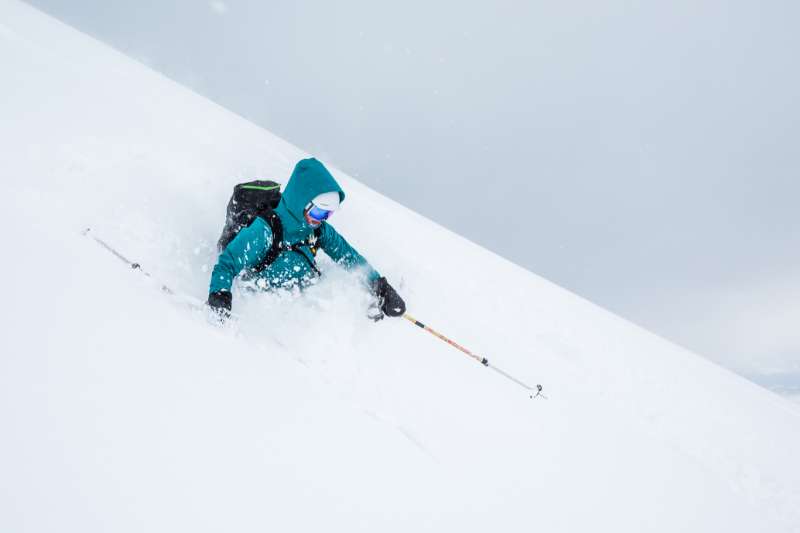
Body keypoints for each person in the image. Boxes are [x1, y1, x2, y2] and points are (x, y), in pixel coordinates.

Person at [207, 158, 405, 319]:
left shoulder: (318, 230)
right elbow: (227, 263)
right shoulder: (266, 230)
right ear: (302, 202)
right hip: (260, 297)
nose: (321, 220)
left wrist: (380, 286)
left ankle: (368, 306)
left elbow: (347, 255)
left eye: (328, 214)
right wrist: (220, 296)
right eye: (319, 213)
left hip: (298, 299)